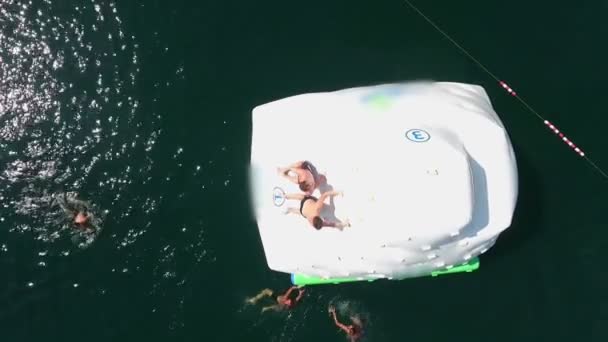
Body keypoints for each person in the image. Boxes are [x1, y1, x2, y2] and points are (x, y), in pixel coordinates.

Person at [283, 190, 350, 230]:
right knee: (301, 210)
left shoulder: (317, 209)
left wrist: (337, 192)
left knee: (301, 197)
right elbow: (329, 224)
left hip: (305, 204)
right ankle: (290, 209)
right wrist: (343, 224)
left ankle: (287, 196)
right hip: (303, 210)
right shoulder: (312, 221)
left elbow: (325, 194)